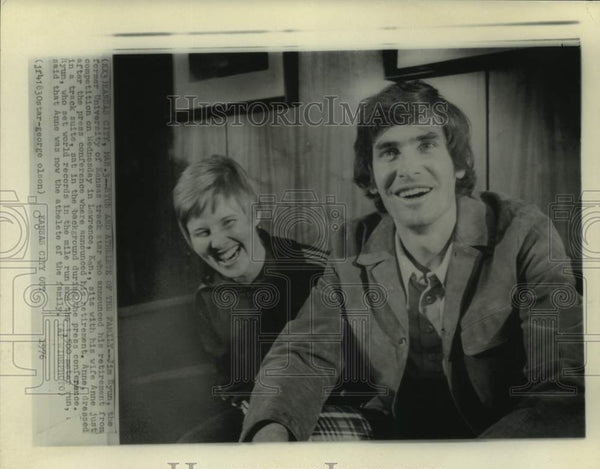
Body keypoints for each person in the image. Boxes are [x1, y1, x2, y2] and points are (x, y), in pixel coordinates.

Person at [240, 81, 585, 442]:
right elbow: (305, 352)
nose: (408, 169)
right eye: (389, 152)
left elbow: (562, 386)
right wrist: (271, 432)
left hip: (501, 440)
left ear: (458, 165)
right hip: (394, 439)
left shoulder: (523, 232)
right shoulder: (351, 245)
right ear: (372, 178)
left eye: (426, 145)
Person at [173, 155, 372, 442]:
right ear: (188, 238)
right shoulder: (207, 298)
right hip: (254, 414)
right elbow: (231, 381)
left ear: (255, 214)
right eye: (202, 232)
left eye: (228, 222)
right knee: (189, 448)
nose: (217, 242)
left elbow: (356, 370)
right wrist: (248, 407)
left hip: (328, 405)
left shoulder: (315, 272)